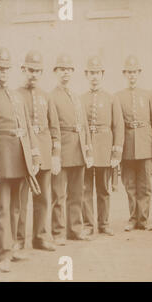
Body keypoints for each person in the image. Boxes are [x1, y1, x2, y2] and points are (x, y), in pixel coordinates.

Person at [0, 47, 42, 272]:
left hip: (19, 156)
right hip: (0, 159)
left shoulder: (15, 95)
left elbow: (27, 126)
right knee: (3, 207)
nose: (3, 73)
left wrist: (34, 153)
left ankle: (12, 248)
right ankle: (2, 255)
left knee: (16, 207)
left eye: (6, 69)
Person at [16, 50, 60, 252]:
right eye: (30, 70)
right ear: (23, 70)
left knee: (43, 197)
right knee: (21, 199)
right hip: (23, 154)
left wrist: (55, 154)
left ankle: (40, 237)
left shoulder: (46, 96)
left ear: (42, 73)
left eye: (38, 71)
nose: (34, 74)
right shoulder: (16, 95)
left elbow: (54, 128)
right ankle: (18, 239)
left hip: (44, 153)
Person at [116, 55, 152, 231]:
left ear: (139, 73)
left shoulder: (148, 95)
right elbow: (117, 124)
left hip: (145, 144)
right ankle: (132, 218)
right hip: (127, 146)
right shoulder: (118, 97)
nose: (132, 75)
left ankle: (143, 219)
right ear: (124, 74)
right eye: (129, 72)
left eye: (135, 72)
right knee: (129, 184)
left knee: (144, 184)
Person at [51, 54, 94, 245]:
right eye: (62, 70)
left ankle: (75, 229)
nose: (65, 73)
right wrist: (55, 155)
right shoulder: (52, 96)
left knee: (77, 193)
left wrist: (88, 150)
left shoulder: (76, 96)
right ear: (55, 72)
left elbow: (83, 125)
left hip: (79, 151)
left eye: (68, 70)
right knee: (58, 195)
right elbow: (53, 127)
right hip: (63, 151)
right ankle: (58, 232)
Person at [81, 55, 124, 236]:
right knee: (85, 189)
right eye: (91, 73)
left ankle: (104, 224)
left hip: (105, 148)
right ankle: (89, 225)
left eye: (97, 73)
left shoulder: (111, 98)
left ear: (102, 74)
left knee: (104, 189)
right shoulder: (80, 98)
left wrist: (116, 152)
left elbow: (118, 125)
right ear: (86, 75)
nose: (94, 77)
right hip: (87, 149)